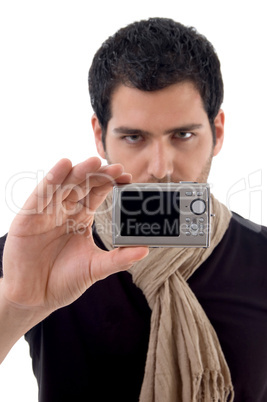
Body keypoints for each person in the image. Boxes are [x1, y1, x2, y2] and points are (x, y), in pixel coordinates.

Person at [0, 17, 267, 402]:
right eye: (134, 137)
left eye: (183, 135)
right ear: (100, 135)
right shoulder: (38, 251)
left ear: (218, 132)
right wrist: (17, 303)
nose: (160, 167)